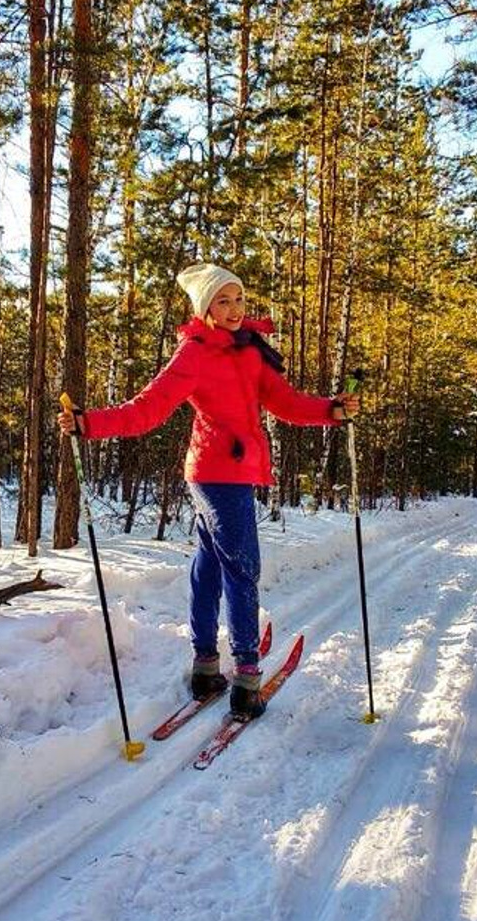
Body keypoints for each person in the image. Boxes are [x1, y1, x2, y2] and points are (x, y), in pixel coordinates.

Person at [58, 263, 359, 718]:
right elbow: (148, 408)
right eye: (223, 301)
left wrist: (330, 410)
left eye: (239, 299)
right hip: (217, 475)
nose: (235, 309)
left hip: (226, 473)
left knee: (211, 564)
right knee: (242, 569)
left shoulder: (250, 350)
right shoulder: (194, 353)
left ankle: (204, 667)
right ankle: (246, 680)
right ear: (205, 308)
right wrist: (89, 423)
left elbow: (286, 401)